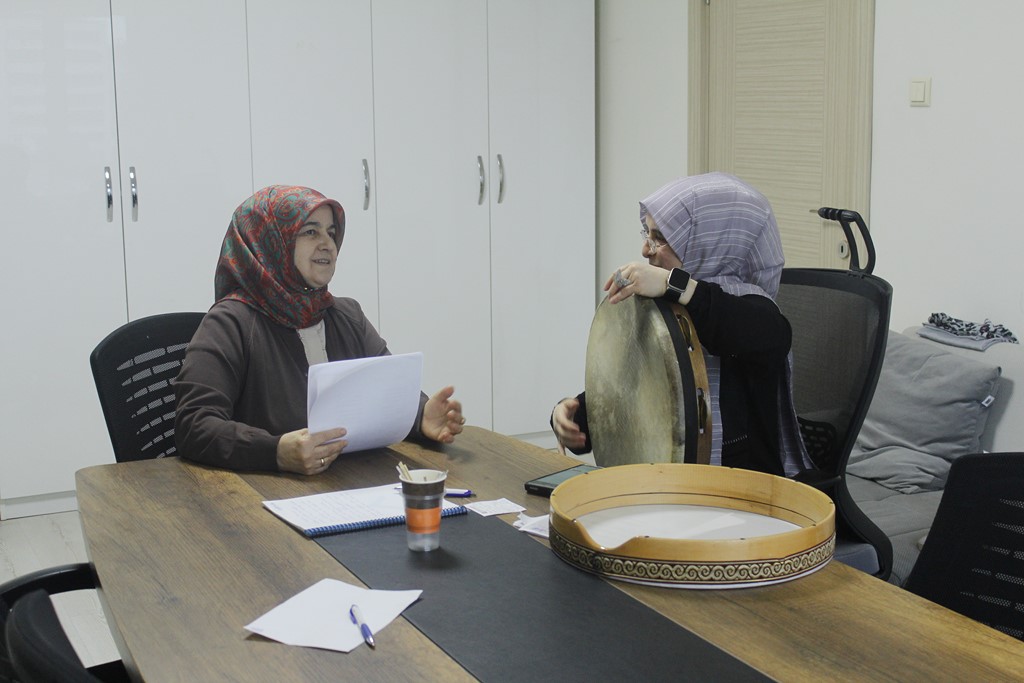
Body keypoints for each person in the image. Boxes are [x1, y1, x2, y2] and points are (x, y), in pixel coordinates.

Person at [175, 185, 464, 475]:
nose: (328, 244)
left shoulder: (347, 315)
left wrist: (421, 415)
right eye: (311, 232)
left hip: (350, 483)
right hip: (262, 491)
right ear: (270, 241)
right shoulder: (230, 322)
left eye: (332, 232)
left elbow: (386, 390)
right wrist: (275, 451)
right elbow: (194, 425)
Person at [551, 172, 811, 477]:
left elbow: (757, 333)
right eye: (647, 234)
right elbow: (635, 392)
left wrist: (675, 285)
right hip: (664, 486)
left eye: (660, 238)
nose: (646, 250)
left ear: (707, 241)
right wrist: (574, 413)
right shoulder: (667, 304)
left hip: (740, 491)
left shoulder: (753, 310)